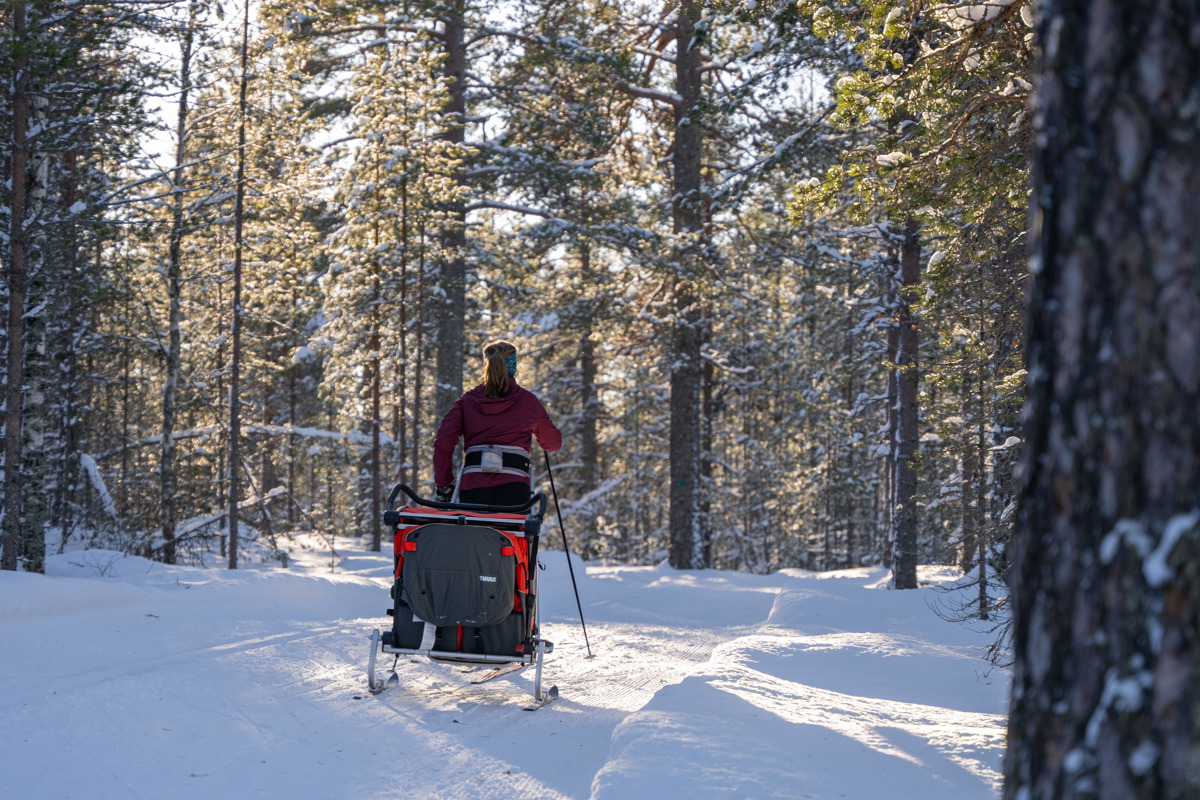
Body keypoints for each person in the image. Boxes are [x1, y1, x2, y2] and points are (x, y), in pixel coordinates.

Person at [432, 339, 562, 506]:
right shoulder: (528, 401)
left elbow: (443, 440)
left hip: (474, 487)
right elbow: (553, 444)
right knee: (512, 532)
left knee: (478, 531)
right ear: (514, 366)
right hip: (514, 488)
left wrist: (444, 483)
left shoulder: (467, 401)